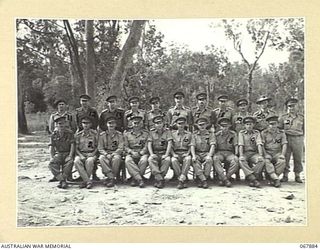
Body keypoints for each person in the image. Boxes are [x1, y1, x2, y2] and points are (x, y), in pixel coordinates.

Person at [279, 97, 304, 183]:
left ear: (297, 106)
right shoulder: (283, 117)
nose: (291, 108)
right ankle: (285, 175)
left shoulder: (301, 117)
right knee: (286, 157)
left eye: (293, 106)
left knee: (298, 157)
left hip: (298, 139)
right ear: (287, 107)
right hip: (287, 139)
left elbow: (306, 129)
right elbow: (279, 128)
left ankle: (297, 175)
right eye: (289, 106)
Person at [75, 94, 100, 180]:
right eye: (82, 101)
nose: (84, 103)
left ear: (89, 102)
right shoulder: (78, 111)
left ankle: (94, 174)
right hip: (82, 132)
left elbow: (96, 121)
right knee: (80, 154)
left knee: (92, 151)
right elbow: (77, 122)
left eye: (86, 101)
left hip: (92, 131)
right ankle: (83, 176)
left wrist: (94, 131)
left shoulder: (93, 111)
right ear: (80, 102)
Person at [48, 117, 75, 189]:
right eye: (59, 124)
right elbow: (51, 146)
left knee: (70, 162)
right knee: (51, 163)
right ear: (56, 125)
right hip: (58, 153)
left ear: (65, 124)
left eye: (63, 123)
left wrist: (70, 155)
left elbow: (72, 145)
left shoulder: (70, 133)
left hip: (67, 153)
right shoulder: (53, 134)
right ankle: (62, 180)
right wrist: (51, 157)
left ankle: (62, 180)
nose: (61, 125)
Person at [238, 116, 265, 188]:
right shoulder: (241, 133)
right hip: (245, 153)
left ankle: (251, 177)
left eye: (250, 124)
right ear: (244, 125)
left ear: (253, 125)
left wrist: (260, 155)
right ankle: (254, 179)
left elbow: (259, 144)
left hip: (254, 153)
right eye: (247, 124)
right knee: (241, 160)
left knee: (261, 160)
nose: (249, 126)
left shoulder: (256, 133)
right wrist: (241, 155)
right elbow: (241, 145)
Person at [261, 115, 287, 188]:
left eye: (274, 124)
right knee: (266, 161)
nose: (273, 126)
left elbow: (284, 144)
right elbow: (262, 145)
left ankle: (274, 177)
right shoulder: (264, 133)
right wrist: (265, 154)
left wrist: (282, 155)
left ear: (278, 124)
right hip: (267, 152)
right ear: (268, 124)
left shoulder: (282, 133)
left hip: (277, 152)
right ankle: (275, 179)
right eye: (271, 124)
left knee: (282, 161)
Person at [124, 115, 149, 188]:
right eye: (135, 123)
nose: (136, 125)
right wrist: (131, 152)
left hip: (142, 152)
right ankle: (140, 179)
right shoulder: (127, 134)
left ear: (141, 124)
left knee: (144, 160)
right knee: (128, 160)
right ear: (131, 123)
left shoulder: (146, 134)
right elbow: (125, 146)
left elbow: (147, 145)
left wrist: (141, 152)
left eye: (138, 123)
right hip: (131, 152)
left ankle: (134, 178)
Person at [147, 115, 172, 188]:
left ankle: (158, 178)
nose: (159, 125)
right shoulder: (151, 132)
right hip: (155, 152)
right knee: (151, 159)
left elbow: (169, 143)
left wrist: (167, 154)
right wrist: (151, 154)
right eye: (157, 123)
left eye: (160, 122)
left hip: (164, 152)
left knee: (167, 160)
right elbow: (149, 144)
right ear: (154, 125)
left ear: (163, 123)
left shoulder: (167, 132)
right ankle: (160, 179)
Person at [98, 116, 124, 187]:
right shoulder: (102, 135)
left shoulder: (119, 135)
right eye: (109, 123)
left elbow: (121, 147)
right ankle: (112, 178)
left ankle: (110, 178)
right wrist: (106, 154)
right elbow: (100, 148)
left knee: (117, 158)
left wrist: (113, 154)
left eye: (113, 123)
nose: (111, 125)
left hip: (116, 153)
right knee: (101, 158)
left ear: (116, 124)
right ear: (107, 124)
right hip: (106, 153)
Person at [213, 117, 239, 187]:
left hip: (229, 153)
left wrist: (236, 154)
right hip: (219, 152)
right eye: (222, 126)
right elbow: (214, 146)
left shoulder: (233, 134)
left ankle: (225, 178)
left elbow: (236, 145)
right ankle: (225, 179)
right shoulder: (216, 135)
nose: (224, 128)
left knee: (236, 160)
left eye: (226, 126)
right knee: (215, 159)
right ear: (219, 127)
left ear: (229, 126)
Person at [74, 116, 98, 189]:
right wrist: (80, 155)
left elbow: (98, 146)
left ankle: (85, 181)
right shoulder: (78, 135)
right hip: (81, 153)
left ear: (90, 124)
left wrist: (93, 153)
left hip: (91, 153)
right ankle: (88, 181)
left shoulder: (95, 134)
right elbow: (76, 148)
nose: (85, 125)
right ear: (81, 124)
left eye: (87, 123)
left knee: (89, 161)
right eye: (84, 123)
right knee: (76, 161)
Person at [171, 116, 194, 189]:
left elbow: (191, 145)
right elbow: (170, 146)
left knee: (188, 159)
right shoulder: (172, 134)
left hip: (185, 152)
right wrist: (173, 154)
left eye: (183, 123)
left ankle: (181, 181)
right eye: (179, 123)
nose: (181, 125)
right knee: (173, 160)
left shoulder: (189, 134)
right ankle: (183, 179)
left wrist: (188, 153)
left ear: (185, 124)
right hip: (176, 152)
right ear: (176, 125)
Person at [191, 117, 214, 189]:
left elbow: (212, 145)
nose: (202, 126)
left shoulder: (210, 134)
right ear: (197, 126)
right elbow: (192, 146)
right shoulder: (194, 134)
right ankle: (203, 180)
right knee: (194, 161)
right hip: (197, 153)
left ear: (206, 125)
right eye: (200, 125)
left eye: (203, 124)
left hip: (206, 152)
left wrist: (209, 155)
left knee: (209, 160)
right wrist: (194, 155)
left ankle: (203, 178)